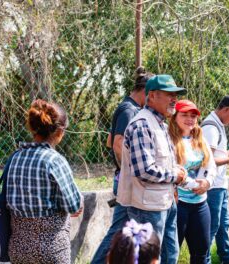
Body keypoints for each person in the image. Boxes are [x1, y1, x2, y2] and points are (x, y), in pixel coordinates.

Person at [117, 74, 187, 264]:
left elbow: (160, 163)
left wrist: (178, 174)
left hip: (164, 202)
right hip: (147, 207)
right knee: (148, 260)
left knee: (170, 255)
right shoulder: (142, 124)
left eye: (176, 95)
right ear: (152, 96)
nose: (174, 99)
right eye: (169, 94)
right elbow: (145, 170)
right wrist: (175, 176)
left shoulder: (159, 123)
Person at [6, 99, 83, 264]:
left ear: (33, 128)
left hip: (18, 250)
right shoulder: (55, 161)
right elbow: (74, 205)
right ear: (59, 132)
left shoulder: (14, 158)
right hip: (51, 250)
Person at [93, 67, 154, 264]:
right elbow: (118, 143)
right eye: (153, 95)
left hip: (125, 180)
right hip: (127, 181)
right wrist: (129, 173)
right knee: (118, 232)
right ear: (146, 91)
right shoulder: (129, 110)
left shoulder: (130, 109)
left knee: (122, 231)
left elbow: (109, 141)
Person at [168, 100, 216, 264]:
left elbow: (211, 166)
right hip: (178, 204)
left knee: (201, 254)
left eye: (193, 116)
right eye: (184, 115)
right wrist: (198, 185)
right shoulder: (169, 140)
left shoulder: (199, 138)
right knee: (170, 254)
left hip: (200, 205)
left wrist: (207, 183)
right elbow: (176, 173)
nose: (190, 119)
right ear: (175, 117)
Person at [202, 95, 229, 264]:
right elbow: (207, 160)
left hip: (220, 186)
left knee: (222, 227)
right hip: (212, 187)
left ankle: (227, 260)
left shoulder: (218, 125)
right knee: (211, 229)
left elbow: (215, 153)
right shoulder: (210, 127)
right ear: (226, 110)